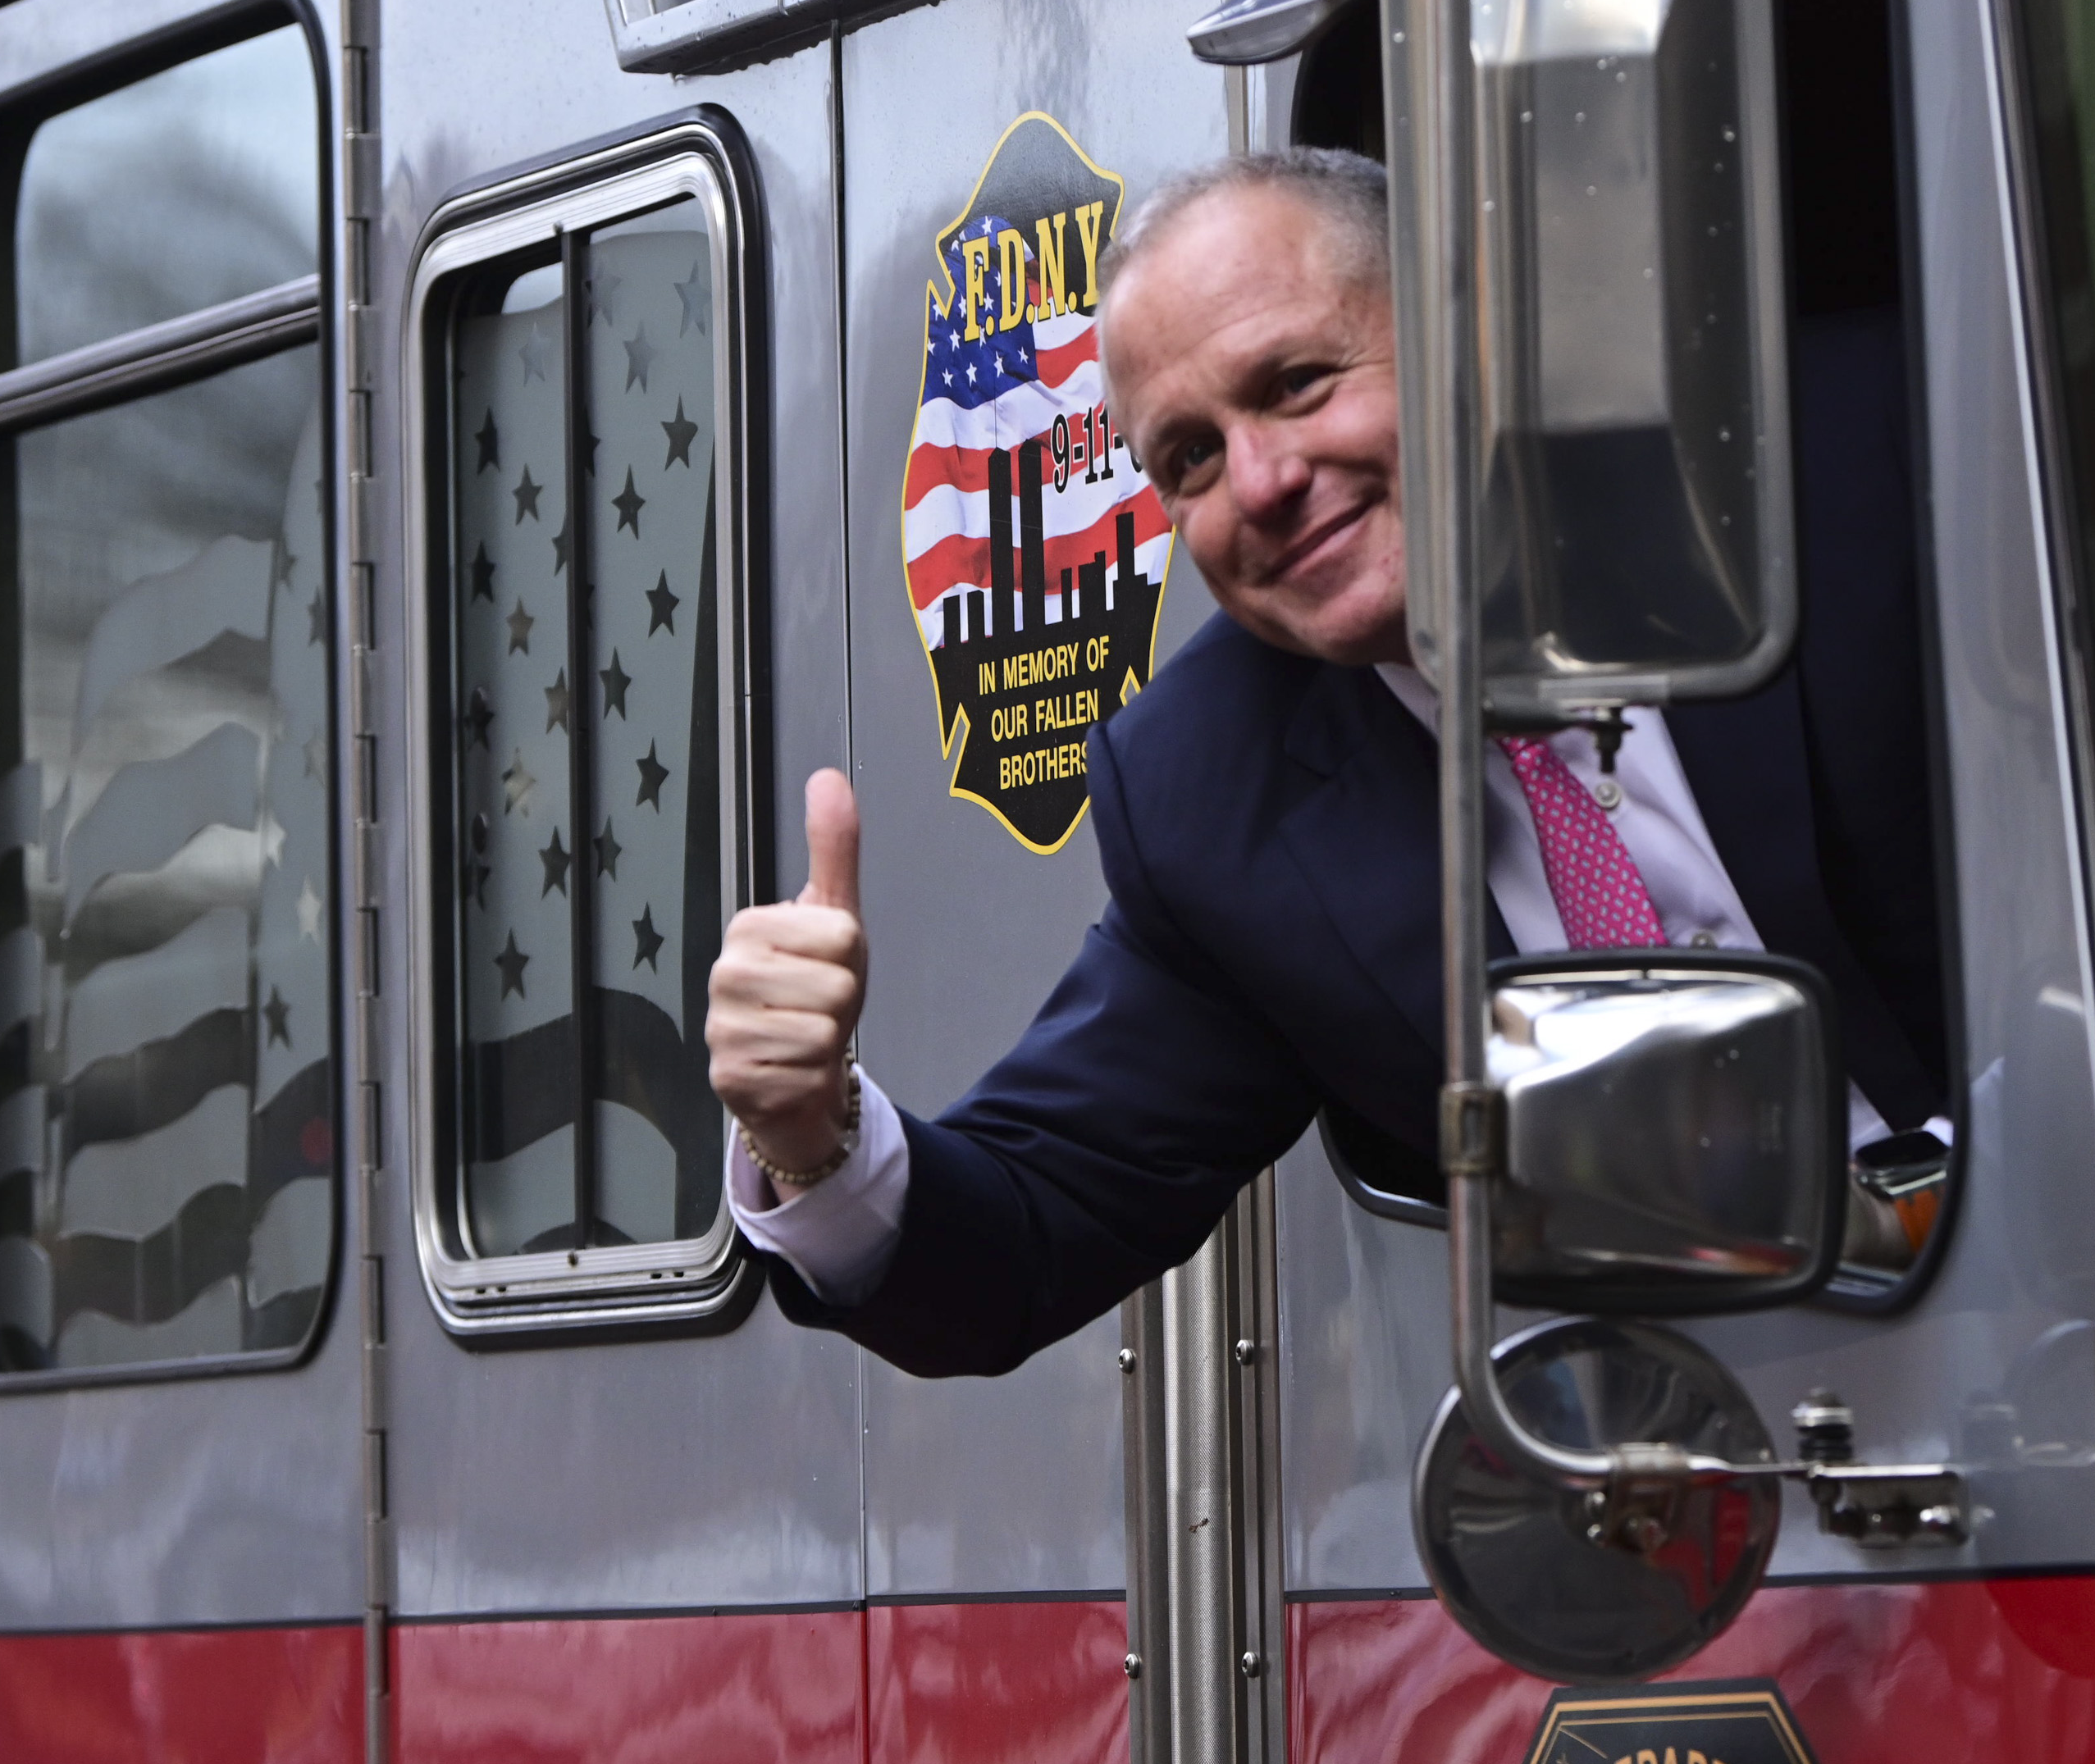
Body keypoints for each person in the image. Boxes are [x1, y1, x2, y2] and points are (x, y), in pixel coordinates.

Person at [705, 148, 1947, 1378]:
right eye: (1188, 458)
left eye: (1297, 383)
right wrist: (813, 1135)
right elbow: (1031, 1222)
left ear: (1471, 330)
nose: (1262, 482)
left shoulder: (1867, 456)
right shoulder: (1212, 792)